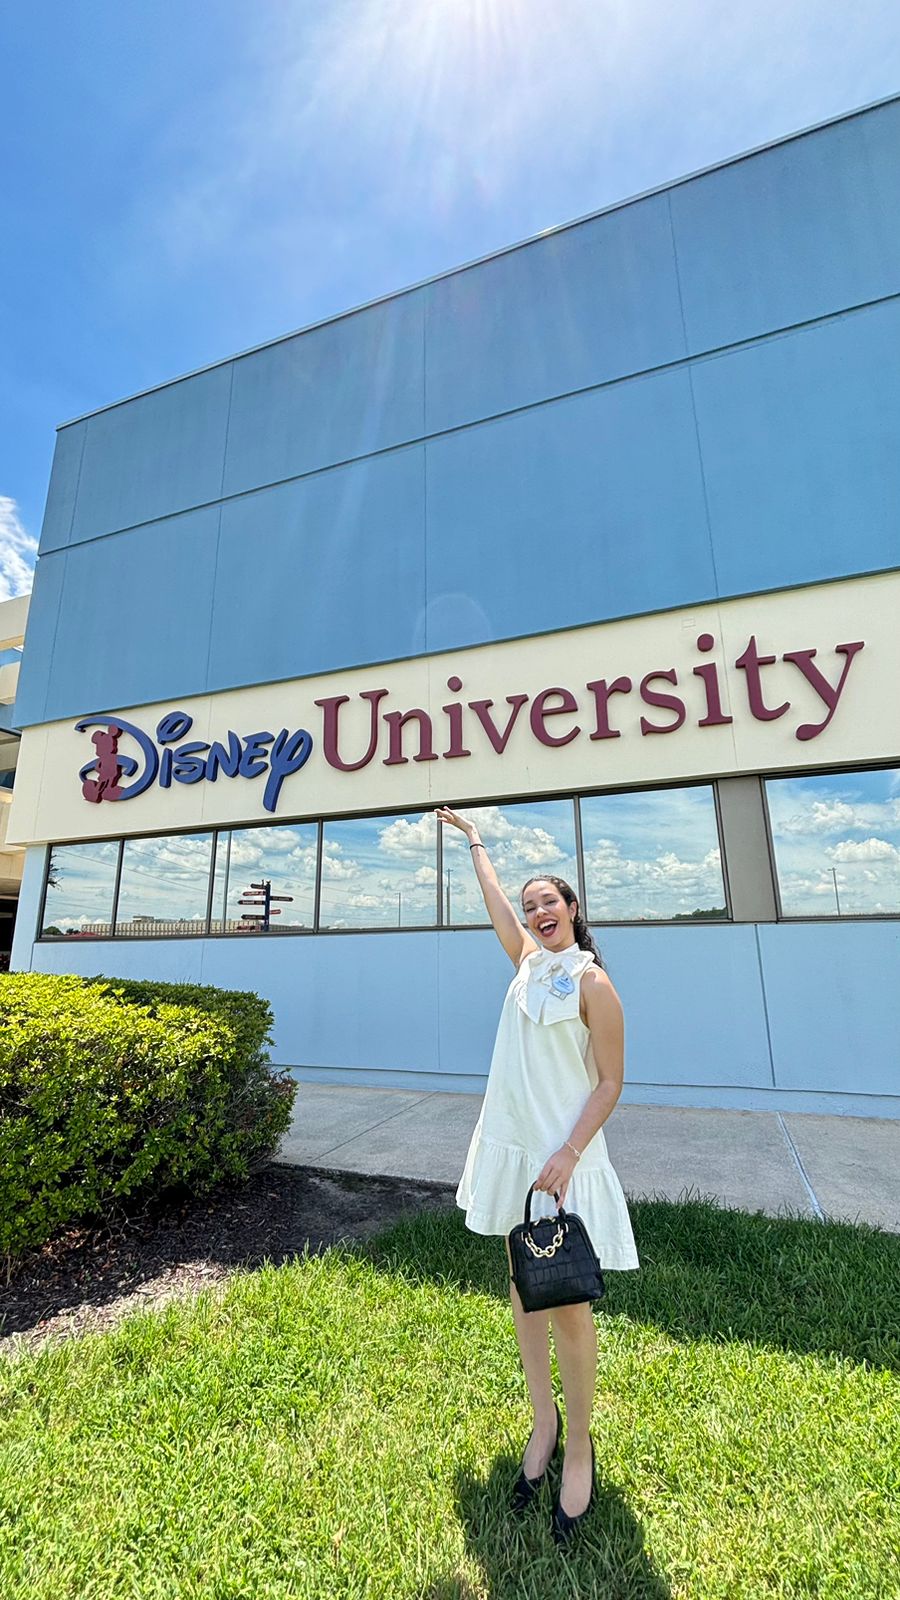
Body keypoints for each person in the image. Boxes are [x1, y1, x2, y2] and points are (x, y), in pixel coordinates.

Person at [435, 805, 639, 1544]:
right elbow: (492, 899)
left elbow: (610, 1082)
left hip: (563, 1163)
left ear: (573, 909)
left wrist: (571, 1152)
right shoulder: (526, 966)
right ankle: (543, 1425)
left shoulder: (593, 983)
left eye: (548, 901)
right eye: (530, 907)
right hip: (517, 1154)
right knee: (525, 1291)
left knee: (569, 1306)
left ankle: (580, 1446)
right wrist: (476, 842)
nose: (536, 912)